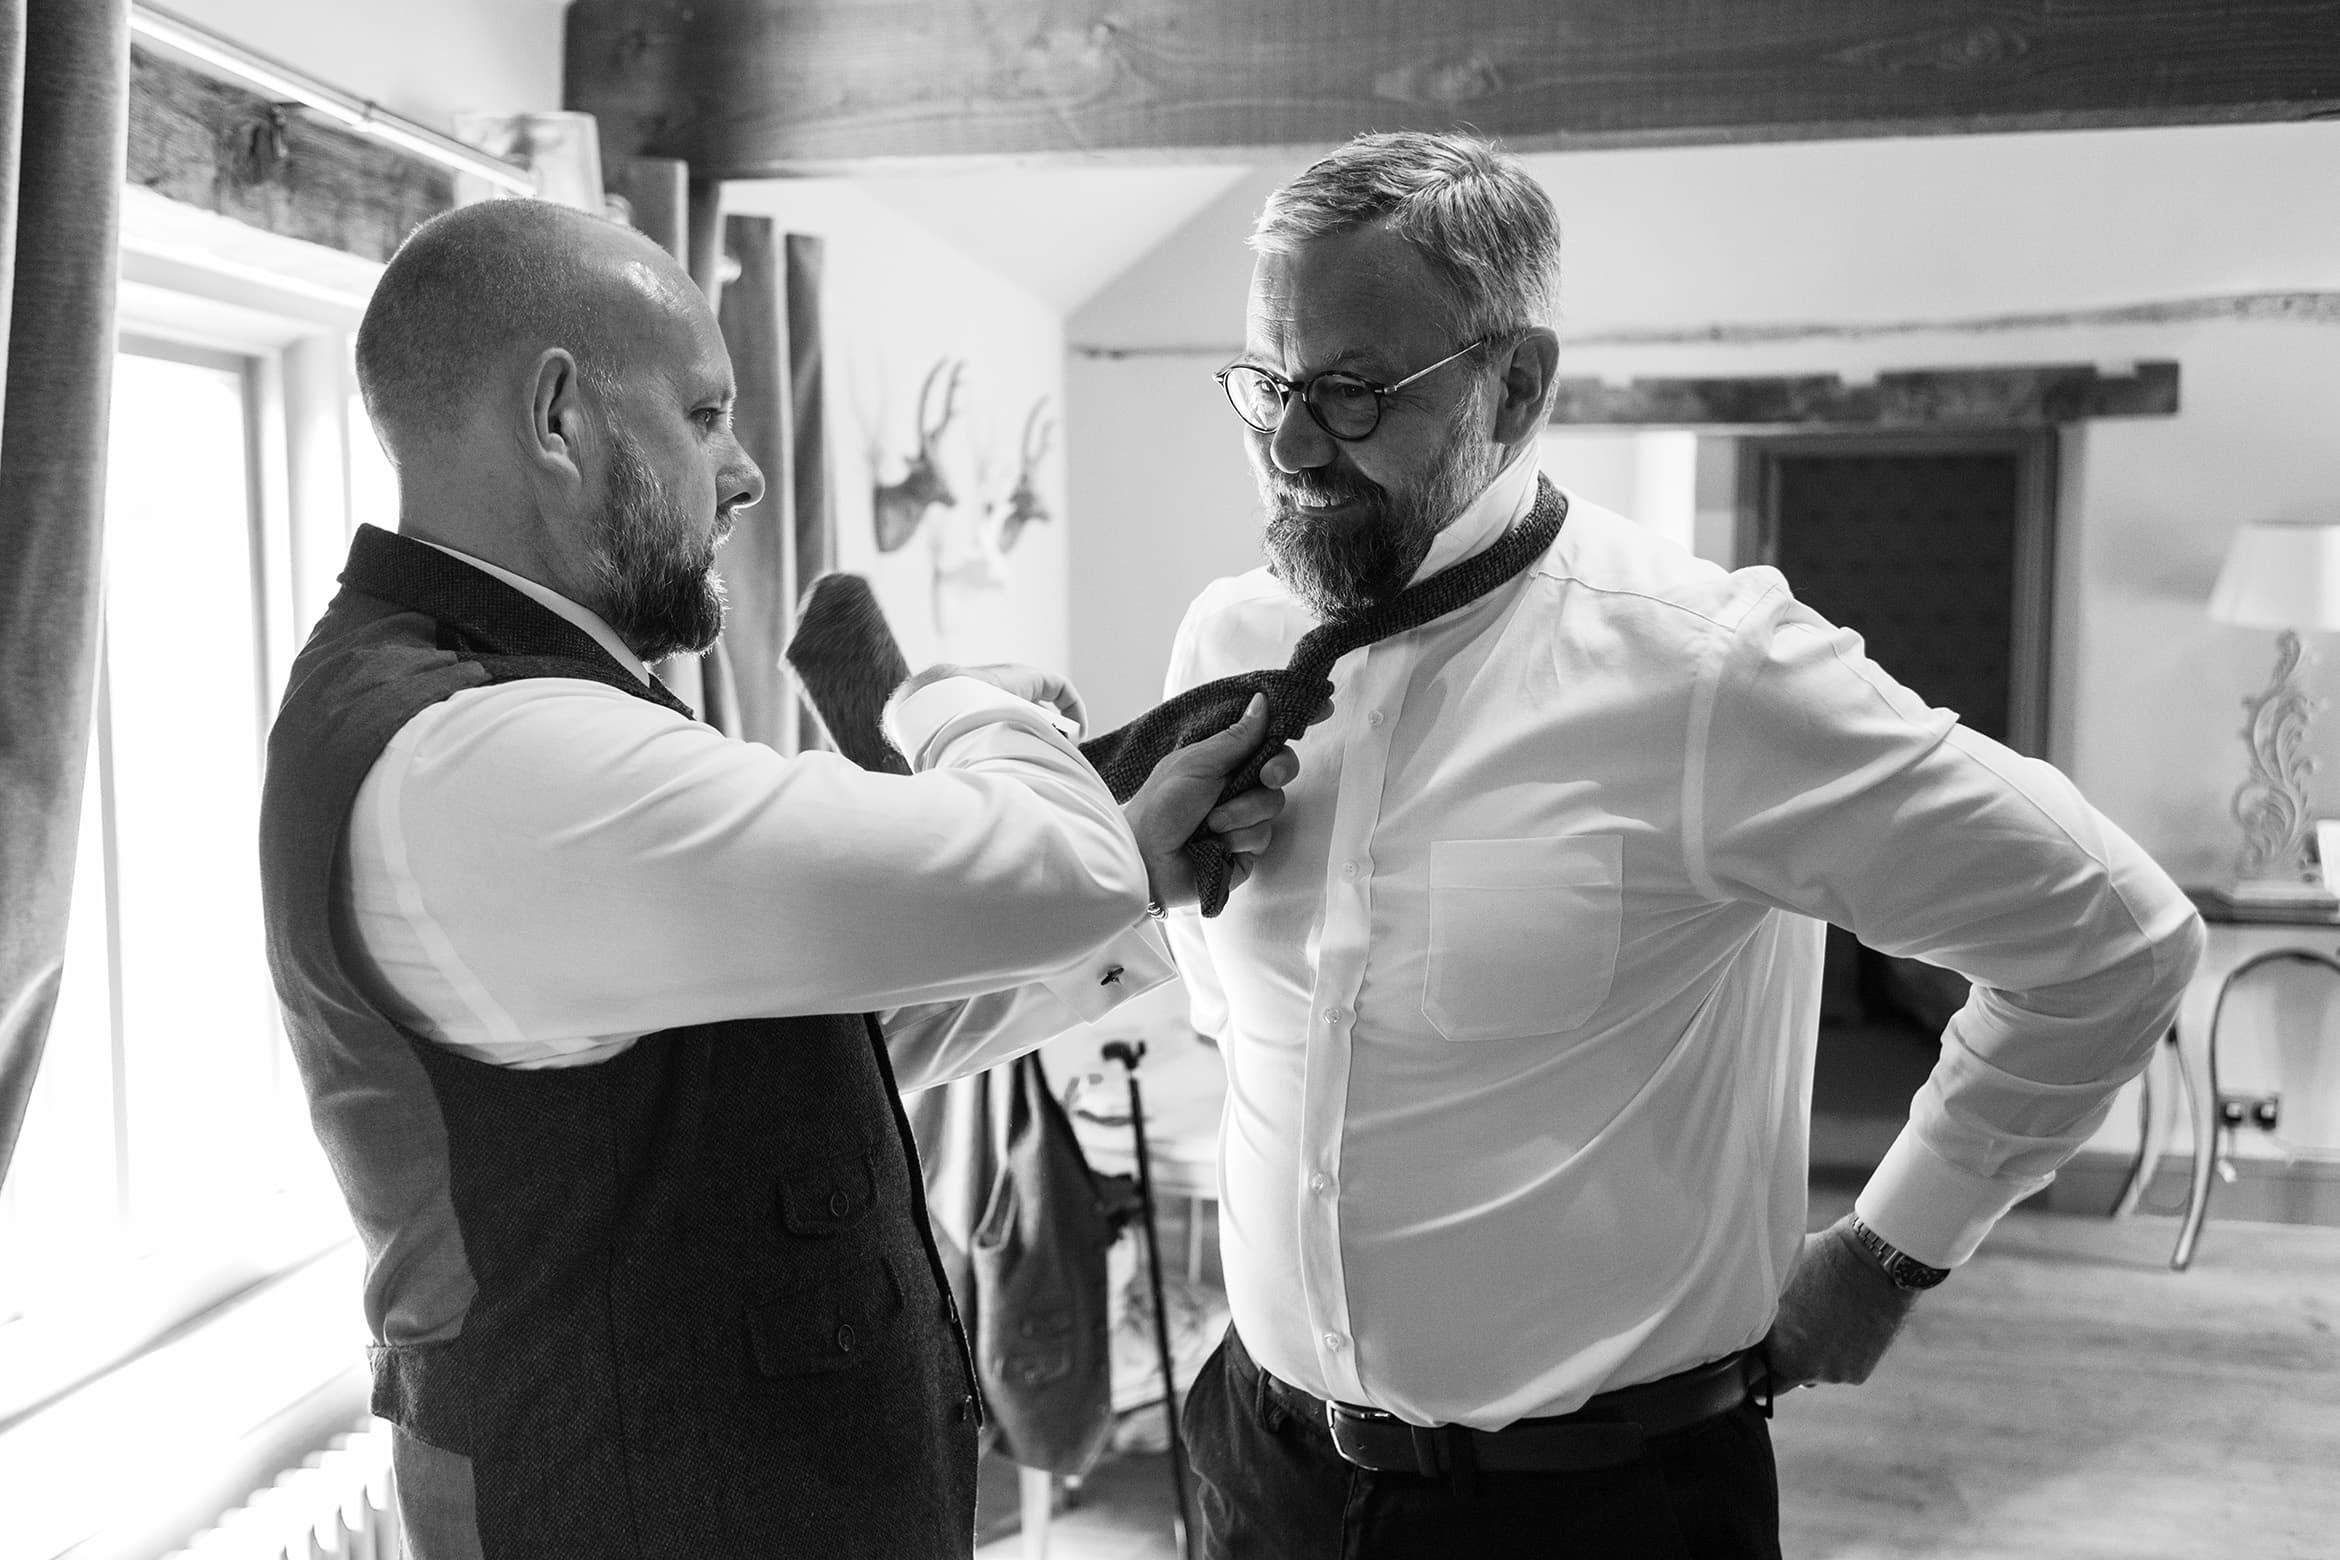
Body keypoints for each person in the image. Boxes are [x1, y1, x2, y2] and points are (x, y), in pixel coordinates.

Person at [1159, 130, 2204, 1559]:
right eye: (1270, 384)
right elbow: (1233, 1011)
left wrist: (1894, 1250)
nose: (1287, 445)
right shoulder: (1229, 643)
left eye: (1350, 392)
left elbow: (2117, 943)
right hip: (1258, 1472)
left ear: (1514, 382)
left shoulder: (1714, 678)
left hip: (1595, 1513)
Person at [256, 198, 1294, 1560]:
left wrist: (1135, 886)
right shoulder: (484, 757)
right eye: (705, 415)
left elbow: (815, 1047)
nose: (745, 474)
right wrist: (941, 700)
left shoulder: (526, 714)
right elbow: (1048, 863)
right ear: (559, 418)